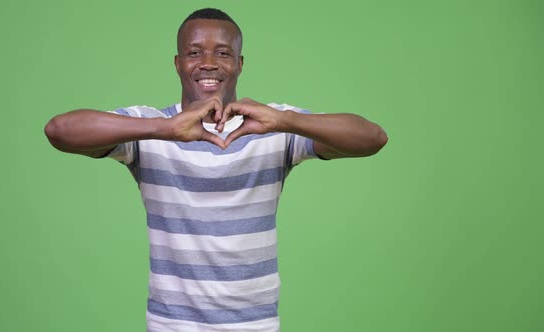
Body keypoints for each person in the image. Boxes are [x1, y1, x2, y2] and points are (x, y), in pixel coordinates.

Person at [44, 7, 388, 332]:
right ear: (178, 63)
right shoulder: (147, 127)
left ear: (239, 63)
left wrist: (286, 120)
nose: (208, 63)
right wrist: (163, 129)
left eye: (222, 53)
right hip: (172, 325)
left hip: (254, 324)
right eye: (195, 53)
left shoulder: (273, 126)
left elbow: (373, 138)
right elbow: (59, 130)